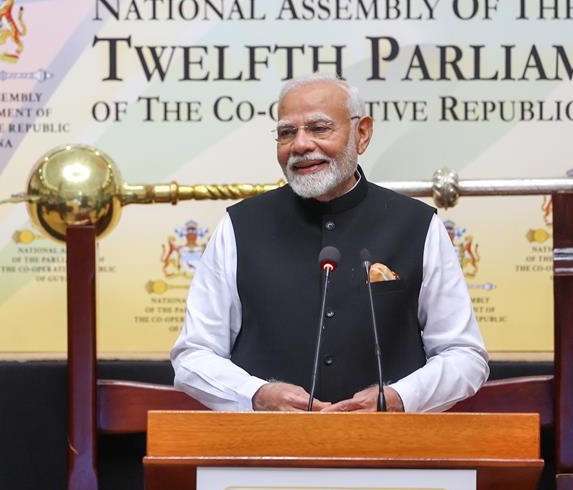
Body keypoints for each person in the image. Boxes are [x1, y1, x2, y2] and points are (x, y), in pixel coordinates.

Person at [171, 74, 488, 412]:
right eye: (287, 133)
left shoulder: (417, 225)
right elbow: (194, 354)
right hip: (264, 451)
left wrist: (400, 398)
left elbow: (464, 355)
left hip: (388, 452)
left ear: (362, 133)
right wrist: (255, 395)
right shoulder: (238, 227)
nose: (301, 145)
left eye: (319, 129)